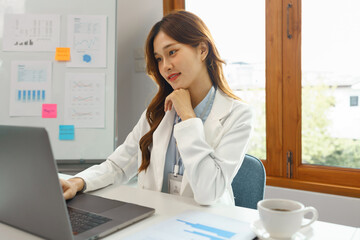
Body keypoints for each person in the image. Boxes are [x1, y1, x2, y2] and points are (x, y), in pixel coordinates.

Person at [61, 10, 253, 206]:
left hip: (205, 226)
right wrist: (77, 182)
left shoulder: (238, 115)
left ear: (202, 50)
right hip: (156, 221)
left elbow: (208, 191)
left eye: (172, 52)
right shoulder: (158, 112)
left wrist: (187, 116)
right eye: (159, 58)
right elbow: (118, 165)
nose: (165, 66)